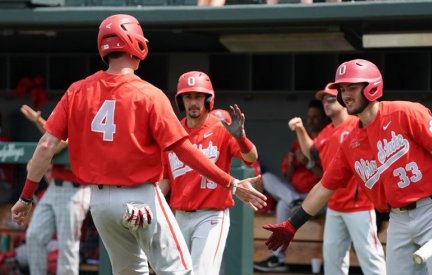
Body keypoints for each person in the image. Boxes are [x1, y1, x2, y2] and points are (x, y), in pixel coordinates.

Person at [10, 14, 266, 275]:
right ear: (136, 43)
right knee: (182, 272)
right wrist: (231, 183)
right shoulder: (149, 94)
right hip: (141, 197)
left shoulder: (77, 90)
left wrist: (25, 196)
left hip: (99, 203)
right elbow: (185, 151)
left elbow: (44, 147)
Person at [263, 59, 432, 275]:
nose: (346, 95)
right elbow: (324, 188)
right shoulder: (350, 143)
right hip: (397, 219)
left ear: (372, 87)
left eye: (352, 87)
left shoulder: (406, 112)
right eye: (342, 89)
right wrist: (292, 224)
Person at [159, 71, 258, 275]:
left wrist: (241, 138)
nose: (193, 102)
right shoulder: (173, 134)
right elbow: (165, 180)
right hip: (180, 217)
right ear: (181, 101)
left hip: (211, 215)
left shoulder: (220, 128)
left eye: (198, 96)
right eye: (188, 97)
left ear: (208, 99)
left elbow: (251, 158)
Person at [288, 85, 386, 275]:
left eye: (331, 99)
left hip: (359, 205)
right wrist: (300, 130)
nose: (326, 103)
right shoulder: (326, 131)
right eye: (323, 100)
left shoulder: (356, 123)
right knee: (333, 261)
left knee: (371, 258)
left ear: (342, 101)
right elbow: (313, 153)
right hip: (334, 205)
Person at [253, 99, 328, 272]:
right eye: (309, 117)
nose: (311, 121)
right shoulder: (298, 143)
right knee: (267, 178)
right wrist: (294, 163)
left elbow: (329, 179)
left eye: (315, 117)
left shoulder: (326, 140)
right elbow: (286, 177)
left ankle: (279, 257)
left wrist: (309, 163)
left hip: (318, 200)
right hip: (296, 195)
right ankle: (293, 202)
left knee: (282, 204)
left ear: (324, 118)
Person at [20, 104, 91, 275]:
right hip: (55, 187)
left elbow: (59, 143)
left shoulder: (90, 124)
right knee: (34, 236)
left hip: (76, 190)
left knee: (67, 246)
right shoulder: (69, 120)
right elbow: (53, 136)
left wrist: (37, 160)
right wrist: (38, 120)